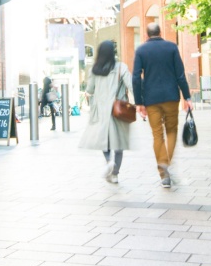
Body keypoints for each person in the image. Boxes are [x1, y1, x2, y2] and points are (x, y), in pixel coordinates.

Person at [133, 22, 193, 188]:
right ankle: (167, 163)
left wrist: (139, 102)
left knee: (157, 134)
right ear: (160, 33)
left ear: (146, 35)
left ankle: (163, 173)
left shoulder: (141, 50)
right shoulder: (171, 47)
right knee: (171, 131)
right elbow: (180, 75)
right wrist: (187, 97)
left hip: (151, 99)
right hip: (171, 97)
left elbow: (136, 77)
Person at [79, 40, 132, 184]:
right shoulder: (121, 67)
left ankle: (109, 161)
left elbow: (90, 89)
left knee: (104, 140)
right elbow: (131, 85)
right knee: (119, 143)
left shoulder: (95, 69)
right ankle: (115, 174)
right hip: (118, 109)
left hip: (101, 110)